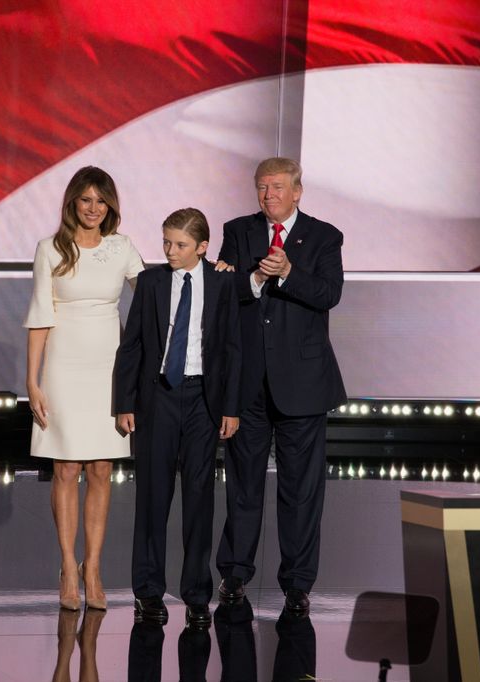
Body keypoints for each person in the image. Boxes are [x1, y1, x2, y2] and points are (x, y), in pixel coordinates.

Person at [214, 157, 346, 613]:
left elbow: (330, 293)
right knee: (243, 486)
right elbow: (223, 295)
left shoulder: (325, 236)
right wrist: (253, 279)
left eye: (276, 187)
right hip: (248, 383)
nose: (268, 195)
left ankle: (297, 583)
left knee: (301, 490)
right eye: (261, 187)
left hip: (304, 385)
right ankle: (234, 575)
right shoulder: (238, 231)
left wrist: (288, 272)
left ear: (297, 191)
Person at [114, 208, 242, 627]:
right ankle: (148, 592)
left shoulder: (222, 282)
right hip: (158, 398)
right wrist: (125, 402)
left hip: (204, 400)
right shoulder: (151, 282)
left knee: (199, 501)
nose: (170, 251)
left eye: (180, 245)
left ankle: (197, 595)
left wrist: (230, 408)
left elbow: (231, 348)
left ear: (203, 248)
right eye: (166, 242)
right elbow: (131, 345)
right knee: (152, 498)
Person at [24, 166, 144, 612]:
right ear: (73, 202)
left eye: (102, 201)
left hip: (109, 369)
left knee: (100, 469)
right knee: (66, 469)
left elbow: (154, 294)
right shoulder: (50, 249)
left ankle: (93, 568)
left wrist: (206, 271)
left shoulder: (122, 248)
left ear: (110, 206)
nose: (94, 209)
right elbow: (39, 317)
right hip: (62, 367)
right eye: (86, 200)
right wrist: (31, 380)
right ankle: (67, 566)